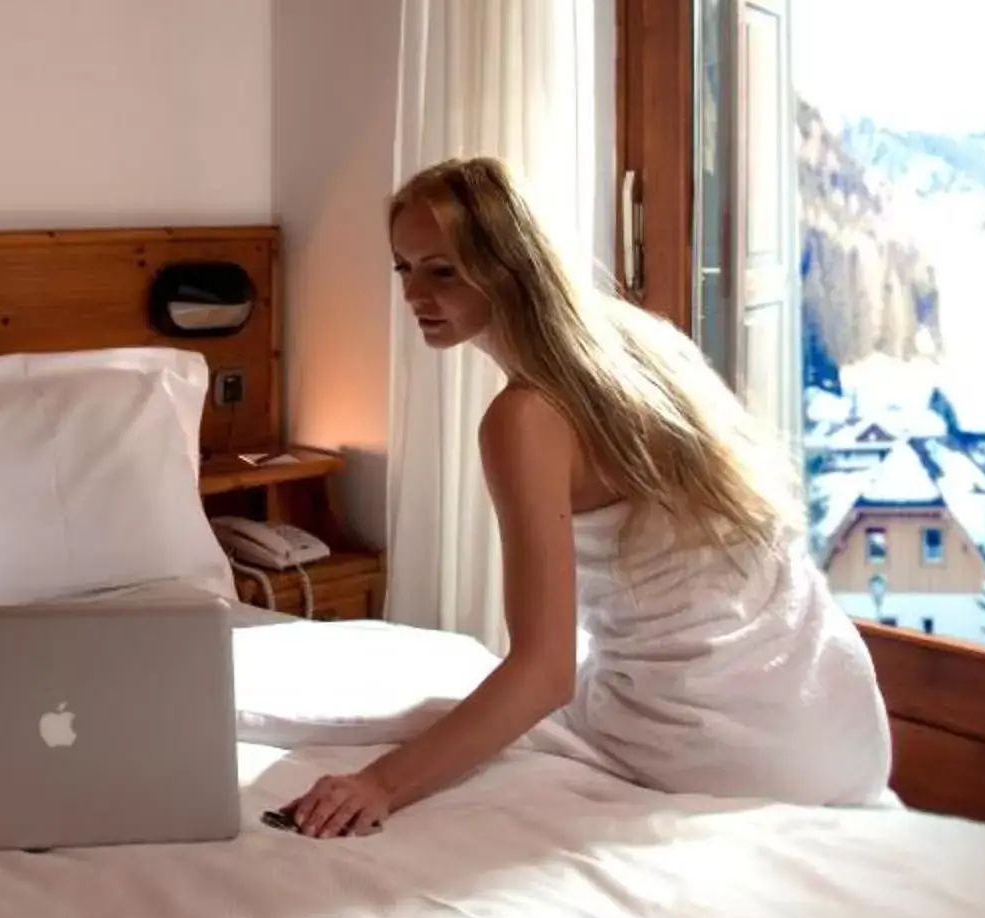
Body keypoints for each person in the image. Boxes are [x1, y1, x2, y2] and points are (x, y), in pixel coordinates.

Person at [284, 156, 890, 838]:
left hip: (729, 746)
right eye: (403, 268)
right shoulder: (641, 347)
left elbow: (543, 677)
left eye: (442, 270)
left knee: (409, 720)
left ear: (506, 265)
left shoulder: (526, 417)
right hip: (840, 721)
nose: (413, 294)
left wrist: (380, 783)